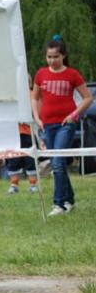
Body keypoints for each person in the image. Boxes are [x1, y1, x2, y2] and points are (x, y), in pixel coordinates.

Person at [32, 35, 93, 216]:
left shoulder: (72, 74)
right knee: (56, 162)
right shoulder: (41, 74)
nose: (52, 60)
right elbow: (35, 98)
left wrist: (74, 115)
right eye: (49, 57)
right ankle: (70, 199)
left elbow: (88, 98)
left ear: (63, 56)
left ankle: (58, 204)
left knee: (57, 163)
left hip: (66, 124)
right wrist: (37, 118)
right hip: (47, 124)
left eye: (56, 57)